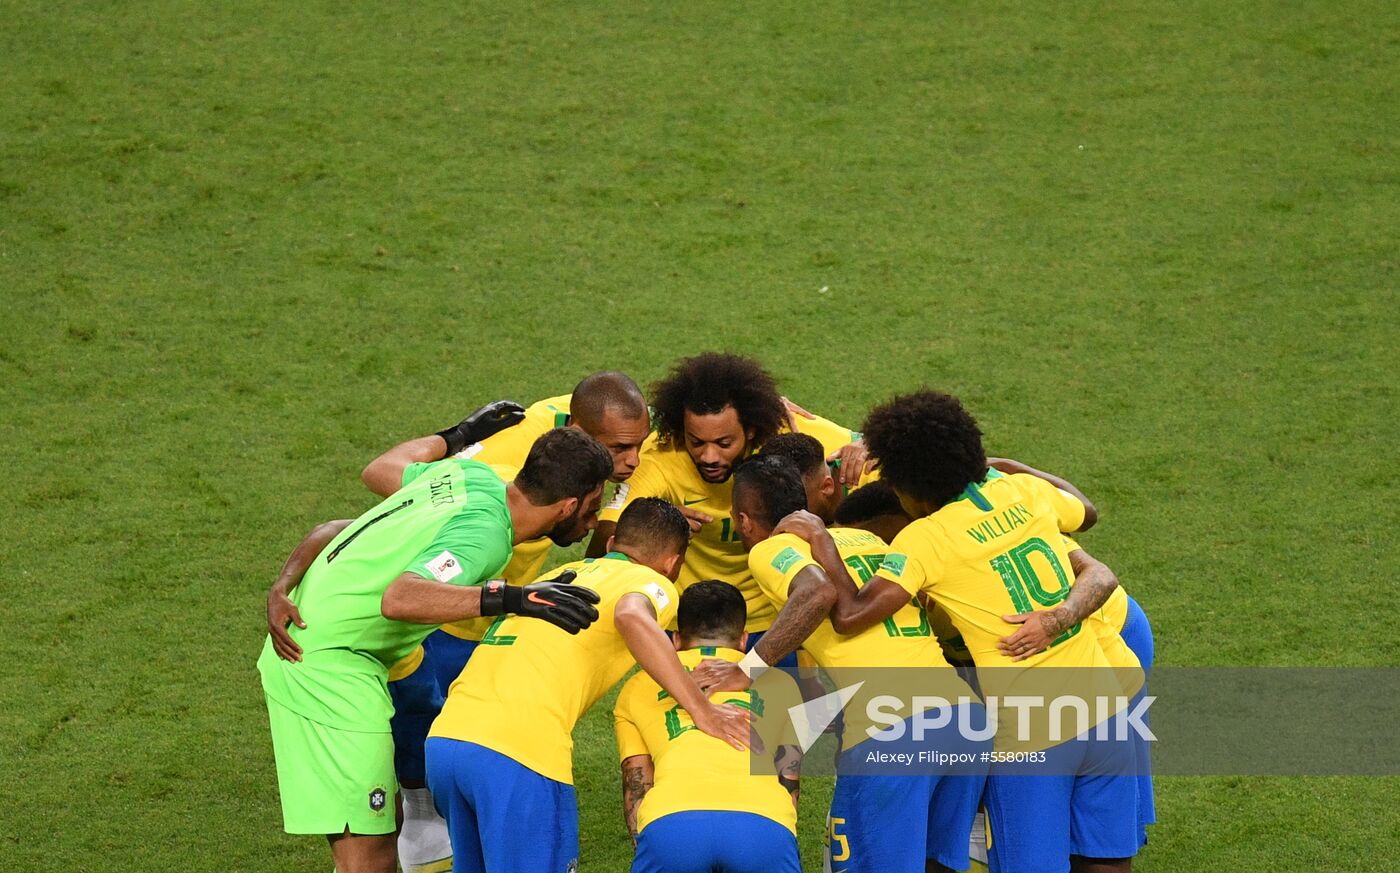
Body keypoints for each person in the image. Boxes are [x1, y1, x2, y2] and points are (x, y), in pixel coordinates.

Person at [256, 428, 613, 873]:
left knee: (382, 826)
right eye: (595, 508)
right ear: (568, 505)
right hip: (328, 671)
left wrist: (283, 581)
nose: (594, 522)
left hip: (326, 654)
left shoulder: (470, 476)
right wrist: (513, 598)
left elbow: (338, 529)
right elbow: (400, 598)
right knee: (370, 858)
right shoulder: (486, 536)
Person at [820, 390, 1144, 873]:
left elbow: (850, 616)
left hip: (1034, 734)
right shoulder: (1022, 492)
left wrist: (818, 539)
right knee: (1106, 857)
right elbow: (1086, 511)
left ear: (910, 487)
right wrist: (1008, 464)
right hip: (1108, 710)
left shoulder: (924, 538)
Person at [425, 498, 752, 873]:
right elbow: (631, 614)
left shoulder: (563, 571)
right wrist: (702, 708)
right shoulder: (651, 581)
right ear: (673, 563)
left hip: (447, 741)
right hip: (516, 753)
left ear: (612, 545)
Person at [715, 454, 987, 872]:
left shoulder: (772, 548)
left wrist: (745, 670)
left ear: (744, 520)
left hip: (890, 731)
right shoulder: (869, 542)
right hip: (963, 720)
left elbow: (816, 594)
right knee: (938, 864)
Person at [589, 352, 868, 646]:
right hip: (693, 626)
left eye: (724, 443)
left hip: (780, 616)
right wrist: (659, 521)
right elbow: (605, 542)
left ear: (750, 430)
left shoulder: (787, 435)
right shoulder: (660, 460)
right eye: (696, 442)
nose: (709, 456)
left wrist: (868, 444)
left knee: (790, 694)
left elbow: (889, 446)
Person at [614, 581, 804, 873]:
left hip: (671, 824)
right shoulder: (784, 684)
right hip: (763, 823)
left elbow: (637, 782)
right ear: (743, 639)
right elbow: (789, 780)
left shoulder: (637, 686)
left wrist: (655, 849)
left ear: (675, 639)